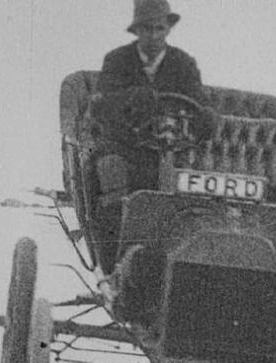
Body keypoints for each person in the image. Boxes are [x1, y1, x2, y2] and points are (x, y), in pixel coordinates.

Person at [88, 0, 215, 272]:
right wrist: (133, 98)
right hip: (123, 146)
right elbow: (101, 106)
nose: (154, 36)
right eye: (147, 29)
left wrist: (207, 116)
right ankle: (113, 266)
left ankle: (181, 266)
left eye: (160, 28)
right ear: (137, 31)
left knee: (190, 197)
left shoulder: (183, 63)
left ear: (168, 29)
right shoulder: (116, 60)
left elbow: (199, 100)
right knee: (112, 178)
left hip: (168, 150)